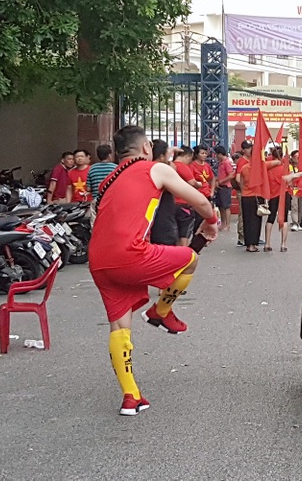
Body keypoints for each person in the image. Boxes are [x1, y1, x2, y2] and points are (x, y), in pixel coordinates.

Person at [88, 125, 218, 416]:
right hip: (130, 253)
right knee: (190, 259)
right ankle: (160, 311)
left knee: (119, 327)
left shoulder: (110, 178)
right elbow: (199, 200)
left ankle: (131, 397)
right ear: (146, 147)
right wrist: (211, 222)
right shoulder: (154, 169)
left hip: (99, 260)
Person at [149, 140, 179, 247]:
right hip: (163, 222)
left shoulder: (146, 169)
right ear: (161, 156)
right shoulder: (163, 171)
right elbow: (176, 188)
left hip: (148, 221)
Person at [171, 147, 201, 246]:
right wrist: (199, 184)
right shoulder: (182, 166)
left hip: (172, 202)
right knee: (184, 233)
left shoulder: (170, 166)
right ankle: (184, 251)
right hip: (183, 203)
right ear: (187, 156)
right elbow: (192, 183)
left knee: (175, 232)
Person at [263, 147, 290, 252]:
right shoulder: (285, 168)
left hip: (273, 194)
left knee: (271, 218)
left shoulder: (269, 169)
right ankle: (283, 244)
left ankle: (267, 243)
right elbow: (289, 181)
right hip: (284, 194)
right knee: (285, 218)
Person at [190, 144, 216, 236]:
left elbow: (212, 178)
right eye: (202, 153)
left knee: (206, 217)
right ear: (197, 154)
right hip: (197, 195)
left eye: (205, 153)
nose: (204, 155)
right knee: (198, 218)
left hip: (207, 194)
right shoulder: (192, 166)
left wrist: (212, 191)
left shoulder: (207, 166)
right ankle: (196, 235)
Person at [235, 140, 253, 246]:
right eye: (247, 148)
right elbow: (238, 178)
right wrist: (244, 187)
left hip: (250, 191)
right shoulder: (242, 162)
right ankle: (241, 237)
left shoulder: (252, 160)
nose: (250, 150)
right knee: (243, 215)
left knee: (251, 215)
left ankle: (250, 236)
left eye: (250, 147)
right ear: (243, 150)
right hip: (244, 191)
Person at [214, 146, 235, 232]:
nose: (216, 156)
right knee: (220, 206)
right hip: (220, 186)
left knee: (226, 206)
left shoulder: (227, 162)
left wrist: (221, 181)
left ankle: (228, 225)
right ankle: (223, 223)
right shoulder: (221, 162)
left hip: (226, 186)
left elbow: (231, 175)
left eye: (216, 154)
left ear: (219, 154)